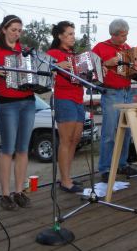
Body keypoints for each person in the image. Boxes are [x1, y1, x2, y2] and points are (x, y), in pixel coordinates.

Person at [0, 15, 36, 210]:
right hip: (7, 103)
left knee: (23, 148)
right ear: (4, 29)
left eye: (19, 30)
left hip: (28, 101)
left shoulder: (24, 50)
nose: (17, 33)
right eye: (14, 29)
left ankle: (19, 191)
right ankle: (5, 194)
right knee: (8, 148)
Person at [92, 19, 137, 183]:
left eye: (126, 35)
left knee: (125, 132)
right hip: (111, 92)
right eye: (122, 36)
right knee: (109, 133)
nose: (125, 39)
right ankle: (105, 168)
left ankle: (122, 164)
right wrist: (106, 63)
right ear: (113, 34)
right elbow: (90, 71)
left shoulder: (127, 48)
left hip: (127, 91)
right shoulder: (99, 47)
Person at [46, 21, 85, 193]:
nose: (72, 37)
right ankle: (65, 180)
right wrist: (55, 65)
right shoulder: (53, 53)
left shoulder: (76, 55)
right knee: (66, 140)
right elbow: (43, 70)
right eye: (69, 34)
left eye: (73, 34)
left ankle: (66, 177)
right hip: (63, 97)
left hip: (78, 97)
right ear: (60, 36)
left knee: (75, 139)